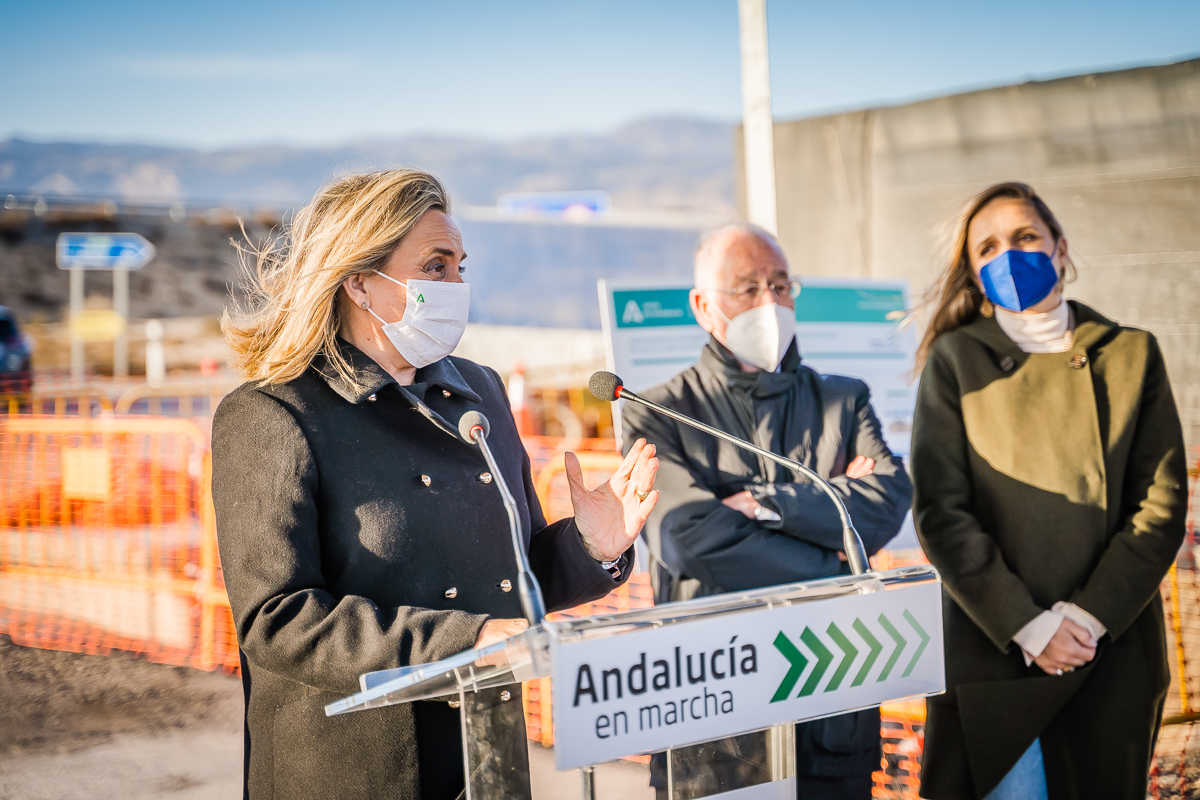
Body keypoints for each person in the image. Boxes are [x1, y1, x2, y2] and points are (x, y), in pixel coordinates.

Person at [211, 168, 660, 800]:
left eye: (459, 267)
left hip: (487, 758)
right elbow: (278, 619)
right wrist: (464, 641)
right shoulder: (273, 413)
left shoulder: (480, 391)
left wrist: (592, 547)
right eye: (435, 266)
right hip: (355, 771)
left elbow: (516, 580)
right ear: (360, 281)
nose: (456, 286)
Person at [911, 182, 1188, 800]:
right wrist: (1029, 627)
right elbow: (942, 512)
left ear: (1060, 248)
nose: (1009, 255)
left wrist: (1085, 619)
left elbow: (1160, 507)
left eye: (1025, 236)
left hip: (1107, 652)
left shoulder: (1131, 353)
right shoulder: (955, 360)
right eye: (988, 247)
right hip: (996, 652)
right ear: (974, 274)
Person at [622, 222, 913, 799]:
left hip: (832, 707)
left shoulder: (843, 399)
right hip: (714, 724)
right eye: (748, 288)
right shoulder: (657, 412)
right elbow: (685, 536)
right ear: (703, 307)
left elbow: (887, 501)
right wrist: (836, 560)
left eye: (781, 285)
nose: (769, 302)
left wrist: (762, 504)